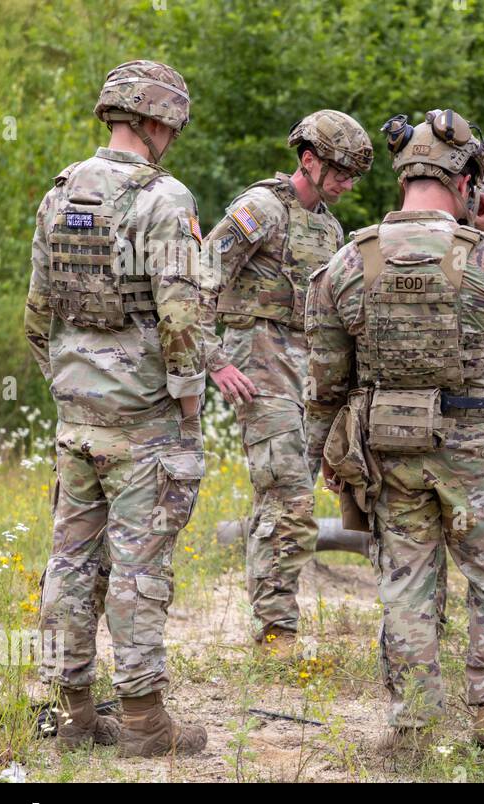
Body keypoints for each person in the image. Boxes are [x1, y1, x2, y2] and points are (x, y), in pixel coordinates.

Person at [305, 109, 484, 752]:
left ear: (403, 179)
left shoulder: (347, 263)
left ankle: (413, 728)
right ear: (468, 182)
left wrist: (328, 455)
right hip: (473, 445)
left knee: (405, 581)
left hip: (388, 446)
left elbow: (328, 382)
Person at [26, 60, 207, 756]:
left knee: (69, 563)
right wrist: (187, 409)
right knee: (139, 569)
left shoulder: (61, 192)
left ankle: (72, 712)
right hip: (144, 423)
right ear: (157, 121)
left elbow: (37, 315)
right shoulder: (164, 199)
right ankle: (142, 721)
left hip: (78, 418)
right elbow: (181, 321)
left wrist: (72, 383)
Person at [199, 110, 373, 654]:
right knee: (286, 498)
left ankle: (275, 618)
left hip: (309, 374)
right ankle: (276, 632)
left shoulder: (328, 227)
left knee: (298, 491)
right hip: (258, 365)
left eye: (353, 175)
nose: (346, 183)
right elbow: (201, 277)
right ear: (308, 159)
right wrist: (213, 361)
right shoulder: (261, 210)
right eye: (340, 171)